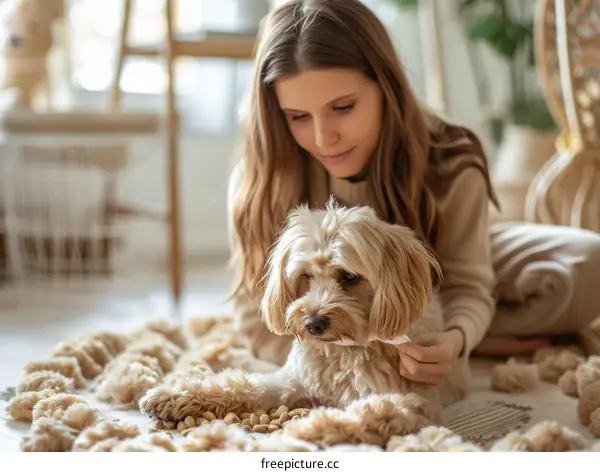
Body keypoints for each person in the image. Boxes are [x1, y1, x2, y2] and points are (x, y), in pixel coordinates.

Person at [226, 0, 600, 387]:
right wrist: (335, 348)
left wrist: (454, 340)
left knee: (589, 264)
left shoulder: (449, 153)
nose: (323, 138)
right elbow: (255, 319)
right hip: (344, 309)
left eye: (343, 106)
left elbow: (466, 283)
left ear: (386, 86)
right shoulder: (262, 177)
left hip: (446, 264)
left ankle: (469, 332)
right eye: (298, 116)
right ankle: (483, 336)